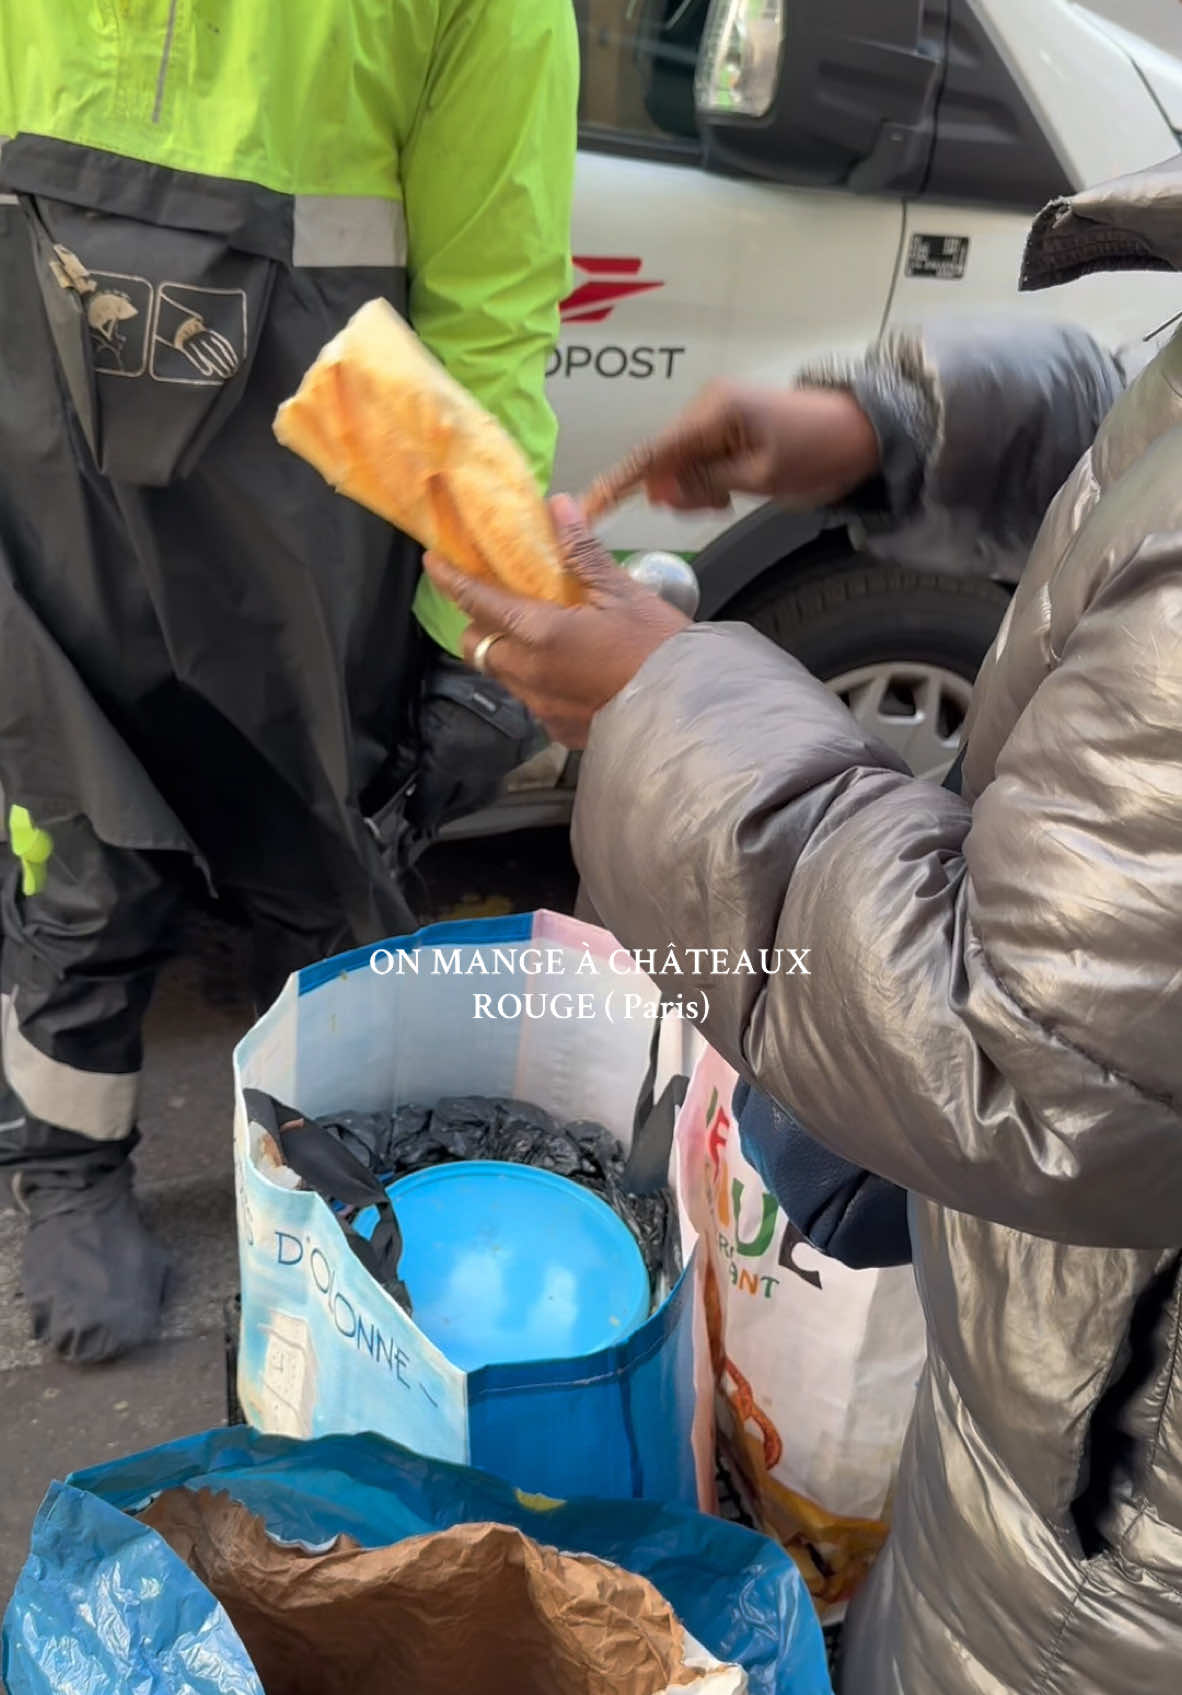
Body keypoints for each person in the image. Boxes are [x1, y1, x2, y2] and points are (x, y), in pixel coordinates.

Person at [424, 154, 1182, 1692]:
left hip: (1111, 1555)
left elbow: (1028, 1054)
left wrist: (659, 710)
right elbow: (1147, 437)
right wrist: (894, 431)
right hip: (1055, 1420)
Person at [0, 0, 577, 1364]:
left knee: (320, 875)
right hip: (46, 497)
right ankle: (66, 1175)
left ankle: (322, 1195)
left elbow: (489, 323)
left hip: (306, 541)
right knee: (80, 865)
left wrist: (469, 633)